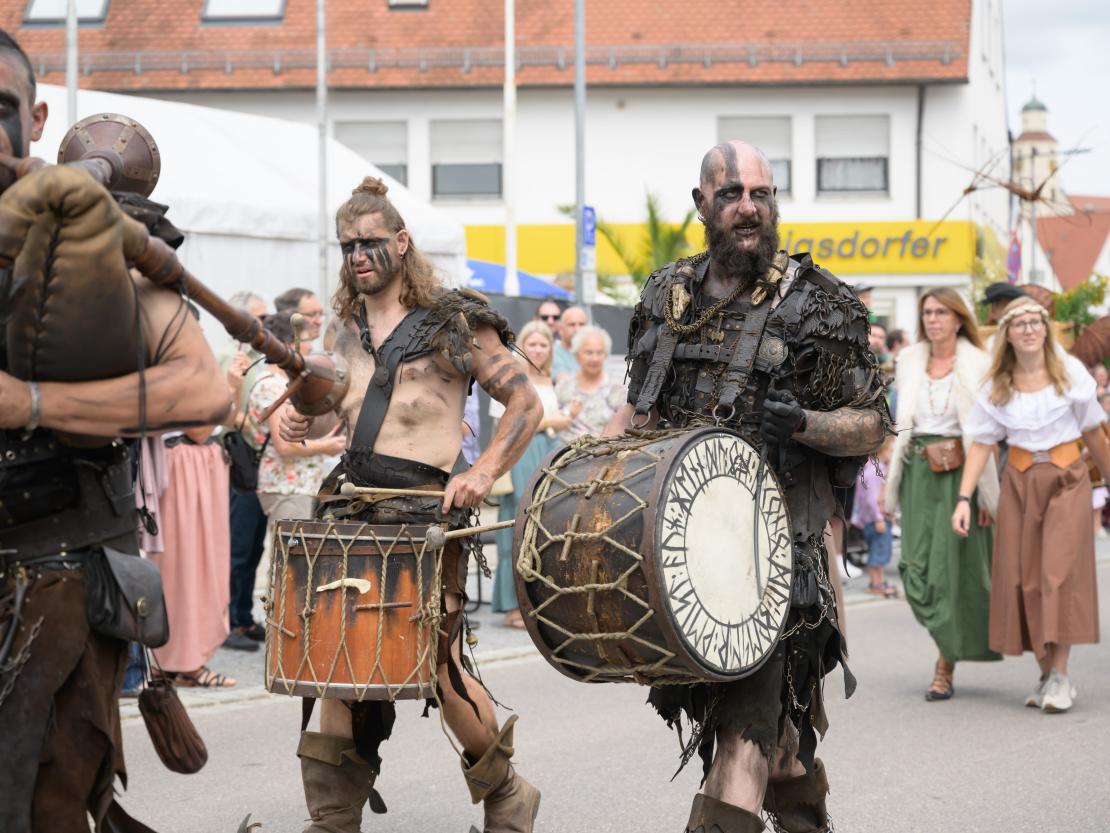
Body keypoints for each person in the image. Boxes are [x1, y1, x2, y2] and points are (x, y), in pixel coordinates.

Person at [606, 140, 889, 833]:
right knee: (781, 752)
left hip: (782, 561)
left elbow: (875, 424)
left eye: (760, 194)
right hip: (685, 564)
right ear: (702, 204)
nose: (748, 207)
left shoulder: (821, 304)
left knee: (741, 739)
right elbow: (637, 414)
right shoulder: (663, 295)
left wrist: (807, 423)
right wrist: (588, 478)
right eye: (731, 194)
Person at [0, 28, 231, 832]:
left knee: (48, 799)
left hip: (55, 568)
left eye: (0, 109)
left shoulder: (99, 236)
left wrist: (31, 405)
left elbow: (202, 388)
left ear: (36, 119)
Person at [279, 177, 543, 833]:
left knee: (437, 667)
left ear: (403, 242)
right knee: (334, 658)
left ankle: (506, 790)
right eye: (347, 246)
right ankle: (333, 817)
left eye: (369, 242)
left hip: (426, 514)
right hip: (348, 510)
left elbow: (526, 403)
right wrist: (298, 424)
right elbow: (330, 420)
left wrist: (483, 469)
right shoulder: (345, 333)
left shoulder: (457, 323)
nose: (357, 255)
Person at [952, 299, 1110, 713]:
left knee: (1056, 574)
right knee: (1023, 580)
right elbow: (983, 444)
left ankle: (1060, 675)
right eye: (1019, 323)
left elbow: (1093, 433)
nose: (1028, 329)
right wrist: (964, 499)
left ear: (1045, 329)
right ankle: (1045, 673)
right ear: (1007, 334)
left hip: (1066, 479)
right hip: (1019, 483)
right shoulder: (996, 384)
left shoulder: (1069, 373)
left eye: (1035, 322)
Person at [882, 288, 1001, 702]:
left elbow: (989, 435)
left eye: (940, 312)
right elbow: (898, 423)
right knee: (914, 569)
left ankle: (944, 666)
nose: (932, 319)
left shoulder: (980, 363)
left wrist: (984, 495)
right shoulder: (909, 360)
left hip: (961, 475)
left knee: (950, 574)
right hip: (917, 474)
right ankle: (948, 647)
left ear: (957, 319)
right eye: (927, 312)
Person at [489, 321, 577, 628]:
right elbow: (506, 425)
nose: (538, 350)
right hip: (520, 452)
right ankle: (512, 604)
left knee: (544, 527)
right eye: (533, 344)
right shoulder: (507, 380)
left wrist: (565, 420)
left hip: (547, 453)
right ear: (521, 346)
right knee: (514, 527)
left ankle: (538, 603)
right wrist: (553, 421)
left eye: (544, 345)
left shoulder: (553, 381)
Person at [148, 420, 237, 688]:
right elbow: (198, 430)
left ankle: (181, 662)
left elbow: (226, 418)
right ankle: (177, 662)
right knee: (181, 566)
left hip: (202, 464)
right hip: (183, 464)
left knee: (206, 565)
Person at [249, 313, 346, 527]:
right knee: (291, 557)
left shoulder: (279, 382)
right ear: (290, 344)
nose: (311, 349)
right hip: (287, 489)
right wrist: (326, 446)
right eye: (307, 342)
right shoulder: (273, 386)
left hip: (296, 488)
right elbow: (285, 446)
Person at [222, 291, 271, 651]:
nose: (264, 325)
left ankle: (242, 617)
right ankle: (229, 622)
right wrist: (256, 429)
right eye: (259, 318)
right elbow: (223, 410)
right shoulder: (231, 358)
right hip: (240, 460)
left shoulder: (257, 357)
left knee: (252, 546)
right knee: (239, 547)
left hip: (257, 460)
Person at [555, 325, 626, 442]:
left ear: (606, 355)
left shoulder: (617, 388)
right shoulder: (564, 386)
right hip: (566, 455)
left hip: (606, 455)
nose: (595, 358)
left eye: (600, 353)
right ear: (576, 355)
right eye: (589, 352)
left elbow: (625, 426)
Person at [552, 304, 587, 381]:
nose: (577, 329)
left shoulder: (595, 353)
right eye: (572, 324)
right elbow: (564, 382)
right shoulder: (553, 354)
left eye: (581, 324)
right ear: (561, 329)